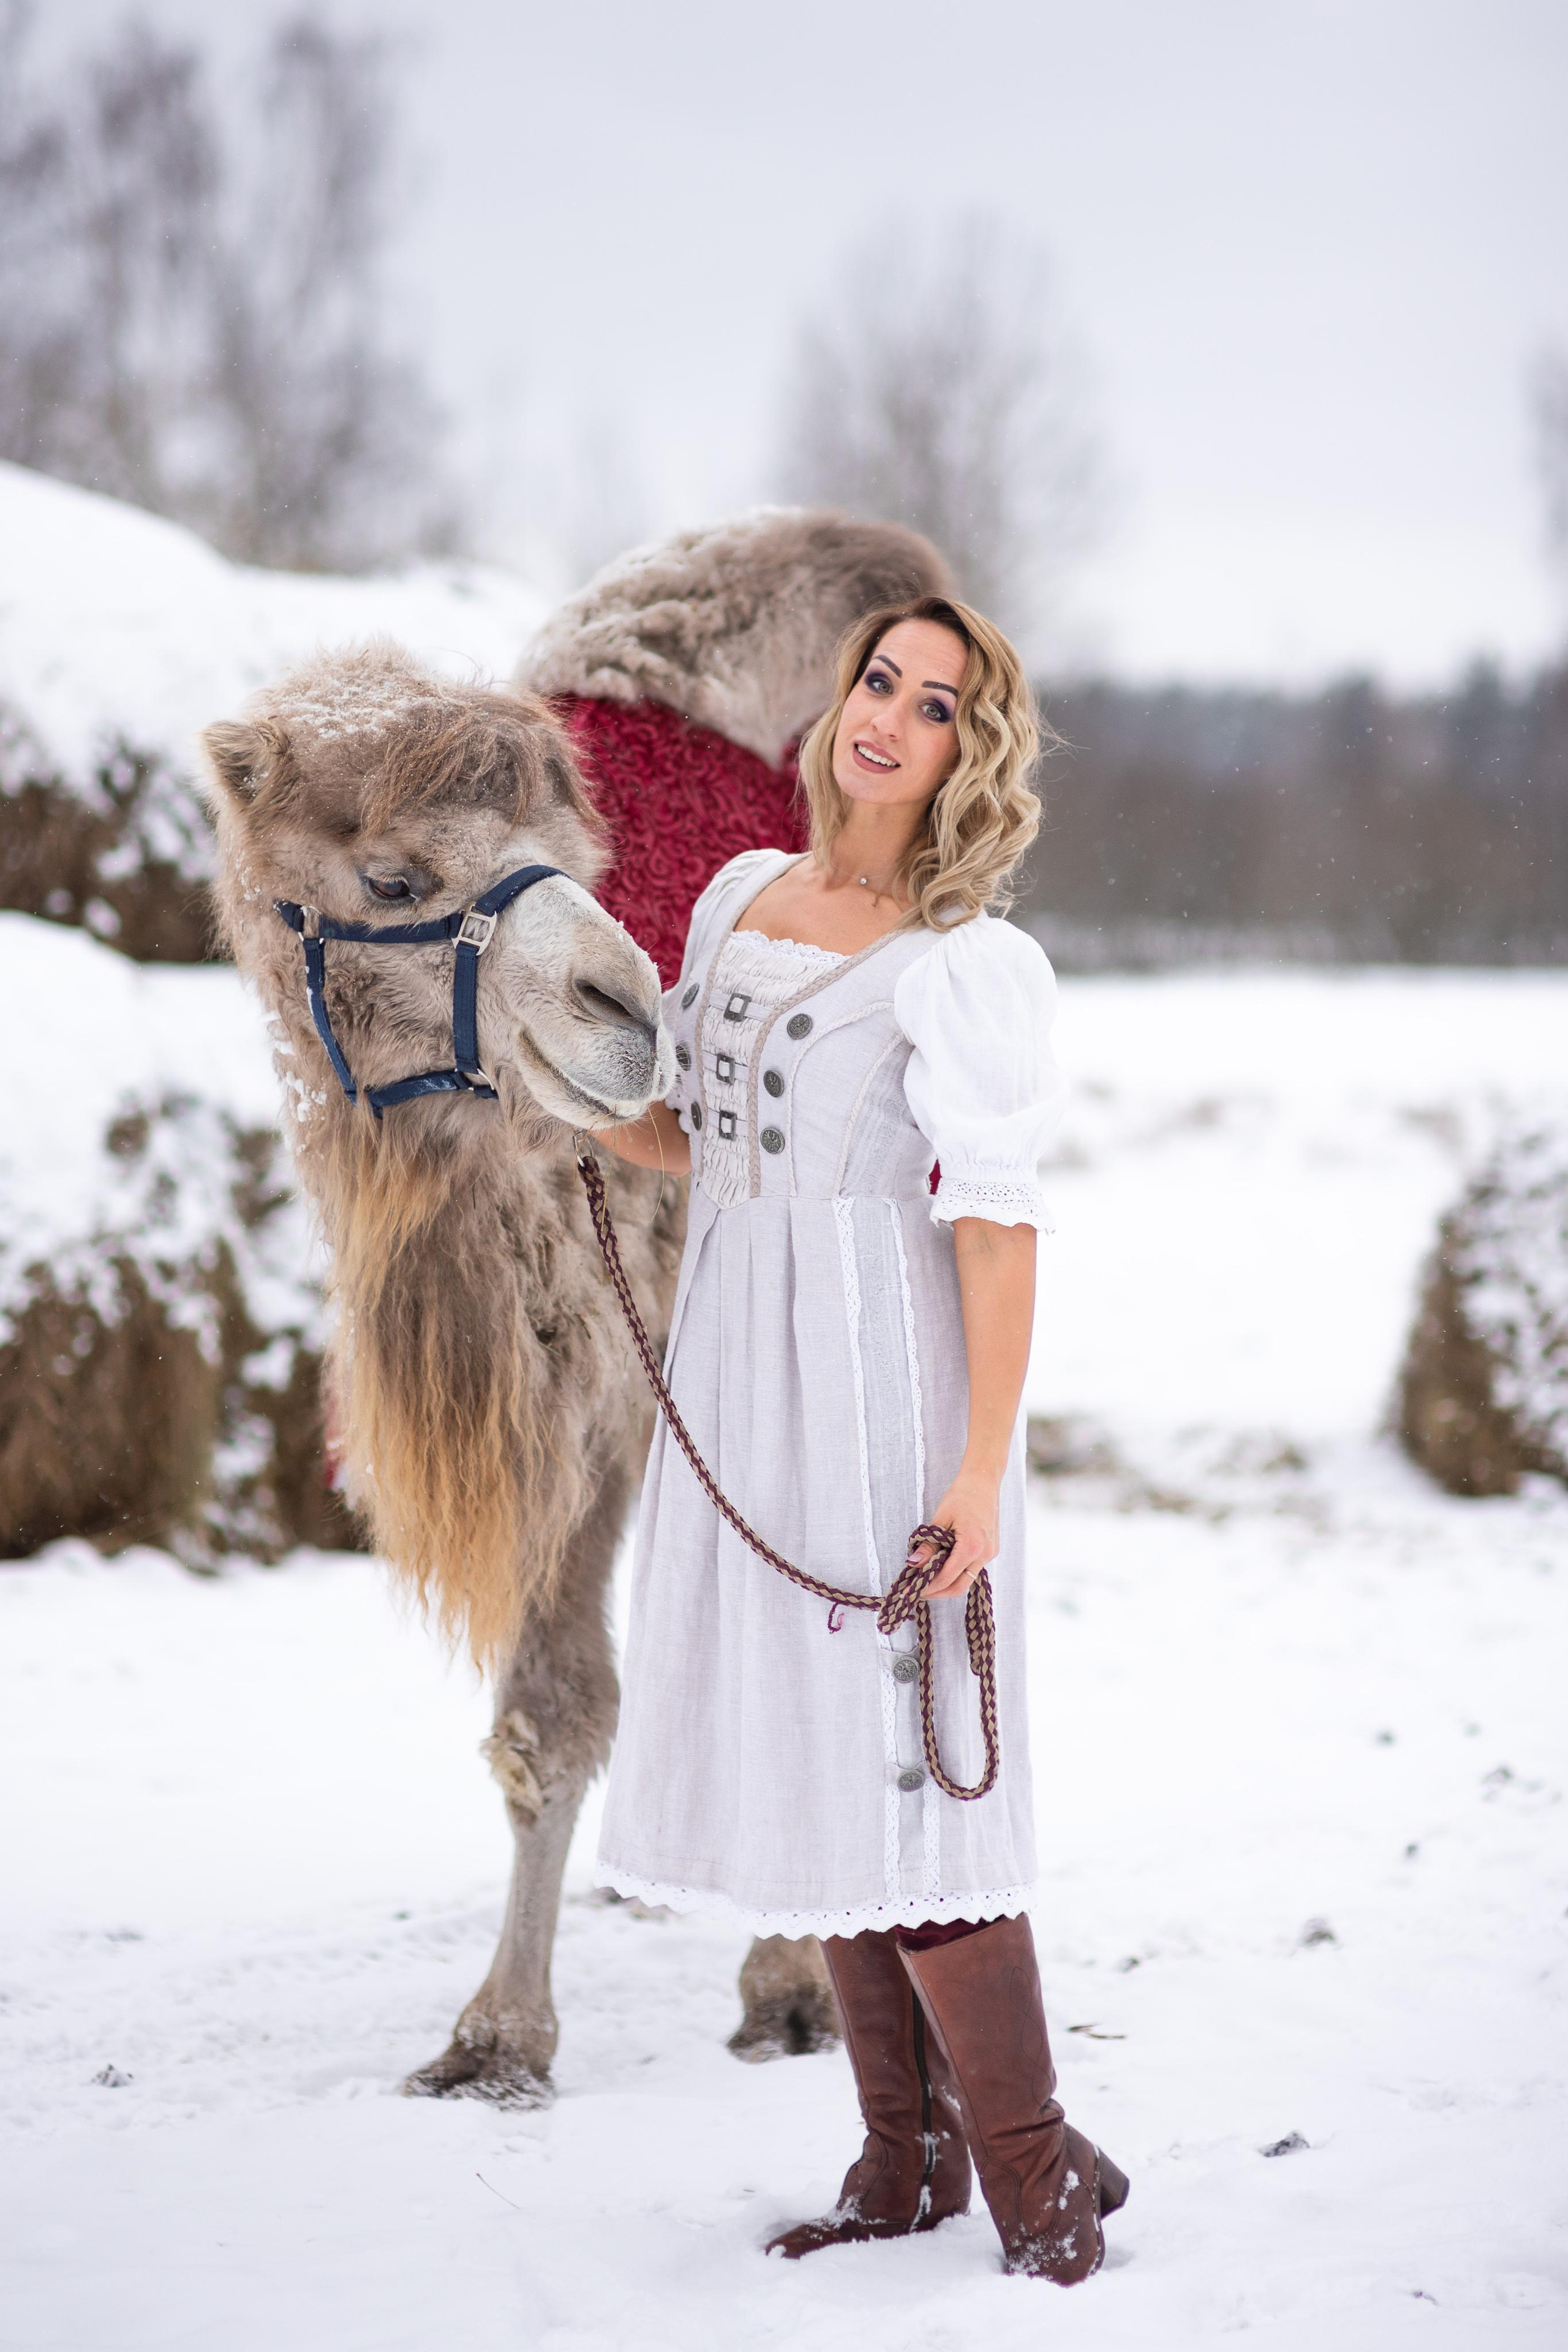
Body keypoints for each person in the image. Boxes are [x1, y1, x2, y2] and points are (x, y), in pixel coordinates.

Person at [594, 594, 1128, 2283]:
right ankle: (904, 2162)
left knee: (913, 1757)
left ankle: (1034, 2171)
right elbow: (705, 1142)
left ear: (976, 751)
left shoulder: (966, 958)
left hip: (890, 1385)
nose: (892, 717)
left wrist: (976, 1470)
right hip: (752, 1371)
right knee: (825, 1765)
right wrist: (565, 1089)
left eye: (940, 705)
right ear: (838, 705)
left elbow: (995, 1223)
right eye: (879, 682)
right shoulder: (743, 896)